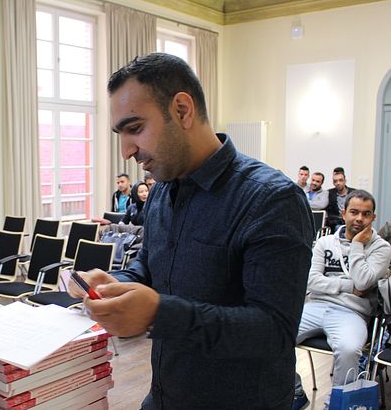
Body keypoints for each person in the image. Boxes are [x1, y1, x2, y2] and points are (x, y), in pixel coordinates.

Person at [71, 53, 314, 409]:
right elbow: (149, 271)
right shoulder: (162, 192)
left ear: (182, 110)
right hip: (166, 395)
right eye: (120, 133)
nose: (126, 151)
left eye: (135, 128)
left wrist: (158, 314)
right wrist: (111, 282)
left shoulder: (271, 199)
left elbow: (273, 331)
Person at [292, 190, 391, 408]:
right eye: (354, 212)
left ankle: (337, 403)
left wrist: (357, 245)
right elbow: (311, 281)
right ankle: (295, 391)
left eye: (366, 214)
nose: (359, 218)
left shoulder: (381, 248)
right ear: (343, 212)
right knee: (275, 334)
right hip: (316, 306)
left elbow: (364, 282)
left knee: (349, 349)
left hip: (353, 313)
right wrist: (348, 286)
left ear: (373, 217)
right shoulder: (324, 243)